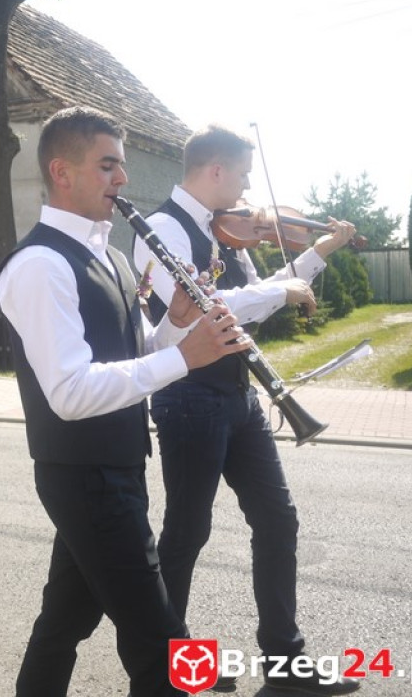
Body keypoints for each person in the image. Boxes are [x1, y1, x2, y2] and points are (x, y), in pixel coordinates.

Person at [0, 107, 253, 697]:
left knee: (64, 621)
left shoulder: (108, 254)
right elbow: (69, 393)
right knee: (159, 645)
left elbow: (130, 354)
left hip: (116, 466)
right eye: (108, 165)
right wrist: (185, 359)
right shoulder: (40, 265)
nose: (122, 180)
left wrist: (177, 330)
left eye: (123, 166)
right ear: (62, 171)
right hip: (85, 477)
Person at [132, 124, 361, 695]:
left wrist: (318, 253)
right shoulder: (161, 229)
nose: (249, 188)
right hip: (188, 397)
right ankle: (172, 666)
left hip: (239, 394)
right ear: (215, 170)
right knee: (187, 532)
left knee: (278, 520)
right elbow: (202, 308)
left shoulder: (226, 235)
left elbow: (258, 303)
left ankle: (285, 661)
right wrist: (277, 293)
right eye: (243, 174)